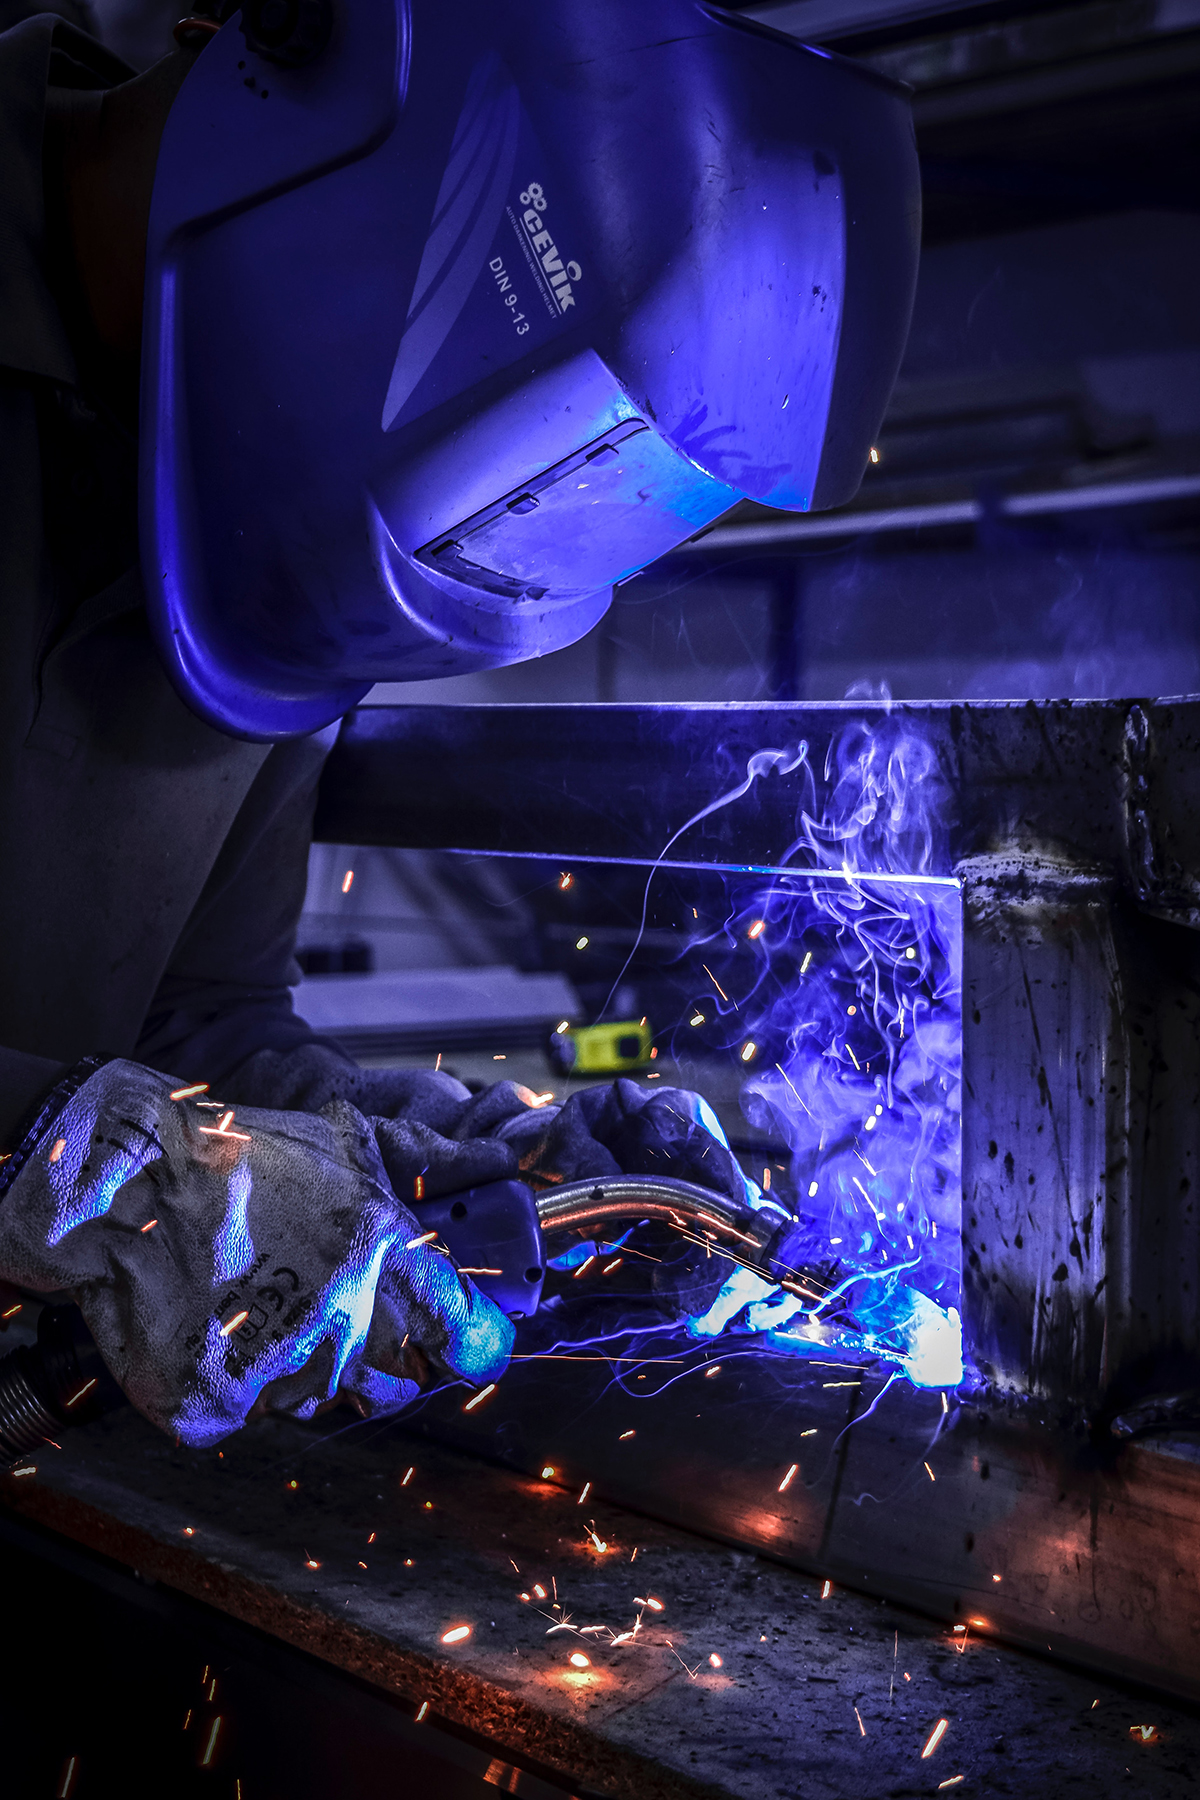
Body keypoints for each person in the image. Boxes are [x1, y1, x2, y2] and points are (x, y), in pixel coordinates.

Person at [3, 4, 890, 1448]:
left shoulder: (255, 533)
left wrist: (448, 1155)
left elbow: (195, 1021)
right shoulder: (251, 407)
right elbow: (103, 1145)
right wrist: (109, 1176)